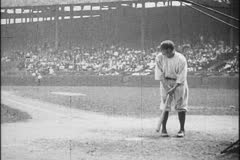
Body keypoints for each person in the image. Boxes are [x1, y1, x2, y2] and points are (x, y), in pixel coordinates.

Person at [155, 40, 189, 137]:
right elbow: (159, 74)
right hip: (165, 81)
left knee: (181, 104)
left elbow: (182, 76)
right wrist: (166, 86)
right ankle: (164, 129)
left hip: (179, 83)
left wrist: (173, 88)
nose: (162, 53)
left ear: (169, 49)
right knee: (165, 105)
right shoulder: (159, 57)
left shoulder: (181, 58)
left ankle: (182, 130)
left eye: (163, 51)